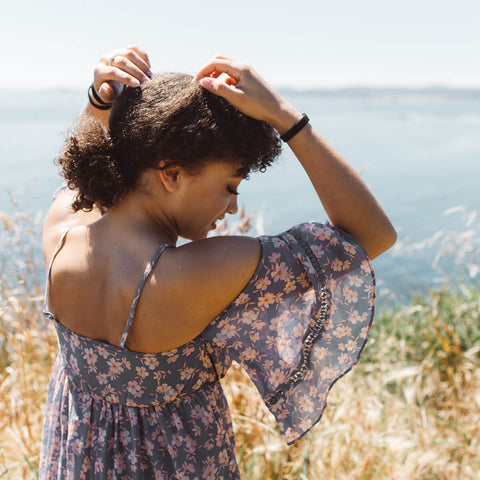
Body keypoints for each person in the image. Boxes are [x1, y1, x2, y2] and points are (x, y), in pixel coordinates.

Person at [39, 45, 396, 479]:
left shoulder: (63, 230)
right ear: (170, 174)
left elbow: (82, 174)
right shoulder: (200, 273)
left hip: (77, 461)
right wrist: (285, 116)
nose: (231, 206)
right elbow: (371, 236)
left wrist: (99, 100)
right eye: (230, 185)